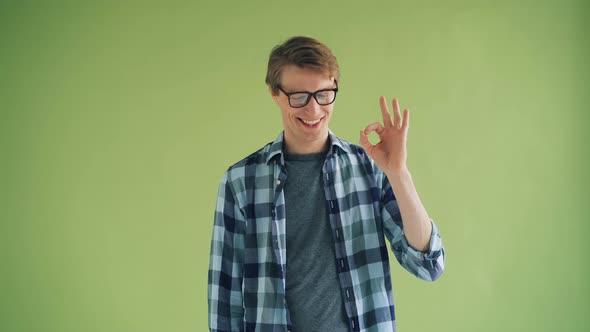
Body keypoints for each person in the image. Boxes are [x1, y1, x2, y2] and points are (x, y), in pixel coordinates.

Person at [208, 36, 445, 332]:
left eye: (323, 94)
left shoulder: (370, 169)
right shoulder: (240, 182)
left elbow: (428, 264)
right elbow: (225, 299)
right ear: (274, 93)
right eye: (299, 96)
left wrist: (398, 172)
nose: (313, 109)